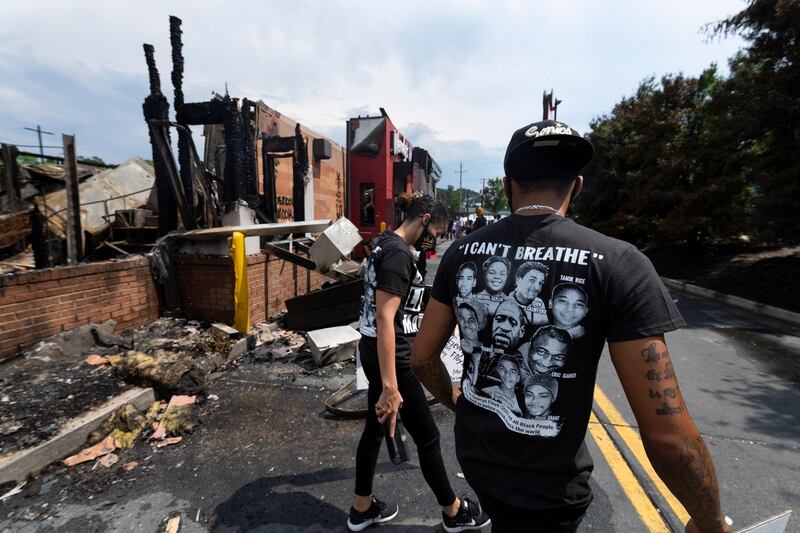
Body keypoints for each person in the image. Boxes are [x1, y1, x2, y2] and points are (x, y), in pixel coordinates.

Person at [411, 119, 730, 533]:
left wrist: (457, 400)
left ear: (507, 186)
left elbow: (421, 358)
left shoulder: (461, 251)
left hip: (477, 460)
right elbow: (669, 436)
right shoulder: (619, 263)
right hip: (552, 489)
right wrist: (710, 521)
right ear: (576, 187)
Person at [349, 192, 489, 532]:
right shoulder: (398, 254)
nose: (437, 239)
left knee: (374, 430)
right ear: (425, 218)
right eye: (437, 232)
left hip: (374, 349)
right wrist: (390, 386)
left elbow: (392, 307)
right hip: (394, 358)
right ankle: (454, 512)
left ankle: (361, 508)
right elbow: (386, 318)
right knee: (427, 437)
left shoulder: (385, 243)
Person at [509, 261, 550, 329]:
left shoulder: (539, 302)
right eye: (532, 280)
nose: (537, 288)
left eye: (540, 283)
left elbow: (544, 329)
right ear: (518, 280)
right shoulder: (504, 301)